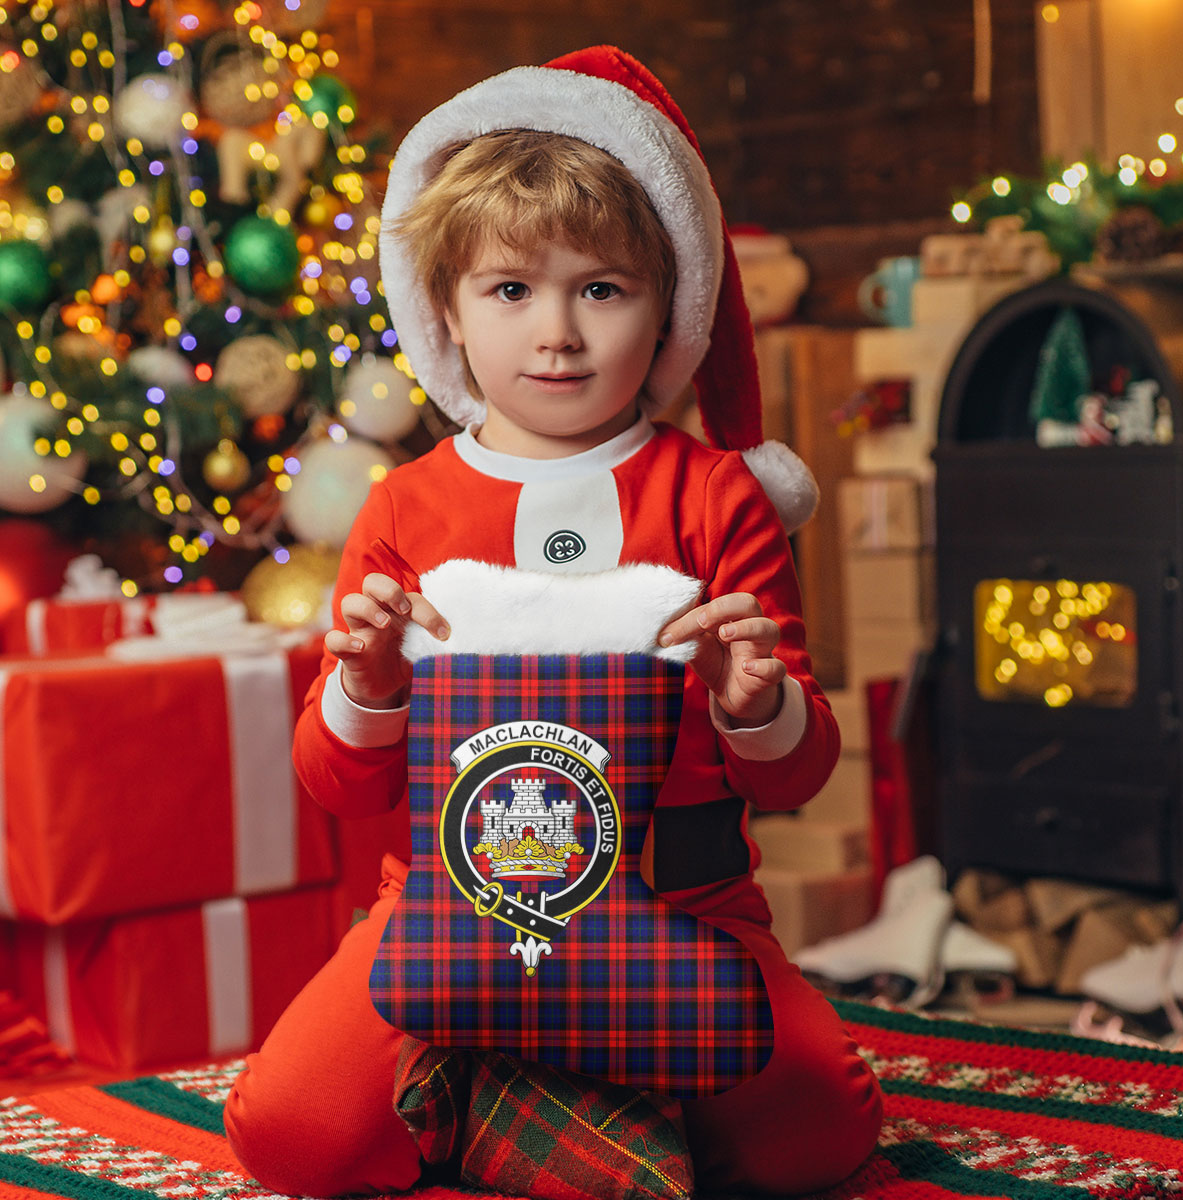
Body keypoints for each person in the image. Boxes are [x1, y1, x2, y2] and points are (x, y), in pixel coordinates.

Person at [224, 45, 882, 1197]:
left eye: (602, 288)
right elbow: (339, 785)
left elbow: (796, 780)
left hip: (684, 905)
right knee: (292, 1136)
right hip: (446, 905)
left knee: (818, 1137)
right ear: (446, 310)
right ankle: (546, 1089)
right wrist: (368, 687)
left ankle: (526, 1089)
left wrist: (760, 706)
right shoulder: (407, 503)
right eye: (512, 289)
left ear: (665, 303)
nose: (558, 334)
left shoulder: (716, 496)